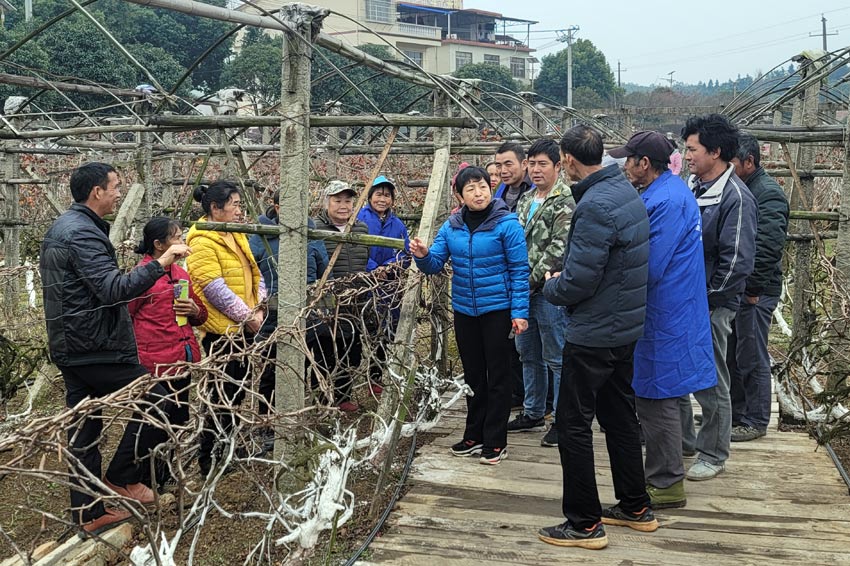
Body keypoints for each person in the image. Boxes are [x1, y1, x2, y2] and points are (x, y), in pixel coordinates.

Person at [40, 162, 190, 535]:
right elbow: (112, 290)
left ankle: (89, 514)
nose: (119, 193)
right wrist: (162, 263)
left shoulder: (65, 228)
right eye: (115, 187)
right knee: (157, 397)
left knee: (84, 428)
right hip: (95, 346)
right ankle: (123, 477)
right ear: (96, 192)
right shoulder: (83, 234)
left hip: (70, 343)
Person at [538, 126, 655, 550]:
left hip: (594, 333)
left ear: (567, 159)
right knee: (620, 417)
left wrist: (551, 285)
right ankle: (635, 506)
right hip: (623, 329)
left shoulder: (594, 207)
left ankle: (585, 523)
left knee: (572, 424)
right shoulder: (625, 193)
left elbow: (579, 281)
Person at [611, 131, 715, 509]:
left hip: (664, 311)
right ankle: (669, 464)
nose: (624, 167)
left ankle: (666, 482)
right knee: (663, 392)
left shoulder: (666, 201)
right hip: (667, 307)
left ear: (644, 163)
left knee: (656, 396)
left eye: (628, 160)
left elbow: (649, 265)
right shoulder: (663, 193)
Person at [410, 166, 529, 465]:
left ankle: (496, 440)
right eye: (471, 189)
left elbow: (519, 271)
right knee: (474, 374)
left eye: (483, 187)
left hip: (498, 310)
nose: (479, 193)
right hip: (464, 310)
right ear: (459, 195)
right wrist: (423, 255)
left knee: (499, 375)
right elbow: (435, 263)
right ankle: (473, 434)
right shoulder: (452, 227)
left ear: (491, 189)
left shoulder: (507, 224)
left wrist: (519, 312)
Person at [679, 114, 757, 481]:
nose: (687, 155)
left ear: (716, 151)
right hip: (684, 300)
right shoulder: (693, 187)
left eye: (693, 149)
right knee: (679, 371)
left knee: (710, 377)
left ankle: (713, 452)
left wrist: (706, 298)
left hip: (712, 304)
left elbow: (736, 263)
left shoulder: (735, 197)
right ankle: (683, 439)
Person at [185, 181, 267, 477]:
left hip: (241, 326)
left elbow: (253, 272)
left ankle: (227, 446)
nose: (239, 208)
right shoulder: (202, 240)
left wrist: (259, 304)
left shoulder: (233, 234)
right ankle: (208, 454)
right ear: (215, 209)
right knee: (221, 393)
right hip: (222, 331)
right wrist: (250, 317)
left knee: (237, 389)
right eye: (233, 204)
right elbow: (213, 288)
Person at [128, 217, 208, 489]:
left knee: (176, 418)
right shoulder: (140, 278)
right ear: (158, 244)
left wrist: (195, 312)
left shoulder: (181, 274)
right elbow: (124, 316)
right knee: (152, 421)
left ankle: (163, 475)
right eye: (176, 238)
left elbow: (200, 314)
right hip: (155, 363)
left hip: (182, 358)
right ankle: (140, 478)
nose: (182, 243)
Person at [507, 139, 574, 449]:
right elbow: (515, 243)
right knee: (527, 353)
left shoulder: (565, 200)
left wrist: (527, 282)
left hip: (547, 291)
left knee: (557, 356)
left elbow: (558, 249)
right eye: (531, 163)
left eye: (542, 164)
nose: (535, 170)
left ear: (558, 166)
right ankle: (533, 410)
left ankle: (562, 418)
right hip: (523, 291)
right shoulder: (526, 199)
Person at [729, 133, 789, 442]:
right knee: (735, 353)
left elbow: (768, 247)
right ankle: (737, 415)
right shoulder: (743, 189)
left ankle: (755, 419)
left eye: (733, 163)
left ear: (749, 162)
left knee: (752, 354)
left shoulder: (767, 195)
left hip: (757, 291)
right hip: (742, 288)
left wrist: (752, 288)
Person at [311, 180, 371, 410]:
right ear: (327, 203)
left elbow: (365, 259)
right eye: (338, 200)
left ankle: (343, 395)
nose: (344, 205)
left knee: (350, 349)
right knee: (325, 350)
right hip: (326, 300)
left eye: (348, 201)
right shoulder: (316, 229)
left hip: (354, 298)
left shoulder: (360, 228)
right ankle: (322, 398)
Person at [356, 175, 410, 394]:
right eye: (378, 194)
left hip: (389, 286)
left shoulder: (397, 224)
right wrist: (372, 268)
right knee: (363, 327)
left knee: (386, 331)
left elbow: (405, 253)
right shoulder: (359, 219)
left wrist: (388, 268)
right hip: (364, 283)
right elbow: (355, 249)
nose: (382, 199)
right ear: (370, 196)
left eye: (387, 195)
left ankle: (376, 376)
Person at [493, 142, 533, 409]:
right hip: (501, 273)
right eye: (499, 165)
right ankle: (516, 392)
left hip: (526, 273)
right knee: (507, 341)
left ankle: (533, 397)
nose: (503, 170)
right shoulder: (500, 192)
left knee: (528, 342)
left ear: (524, 163)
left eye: (508, 164)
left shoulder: (533, 192)